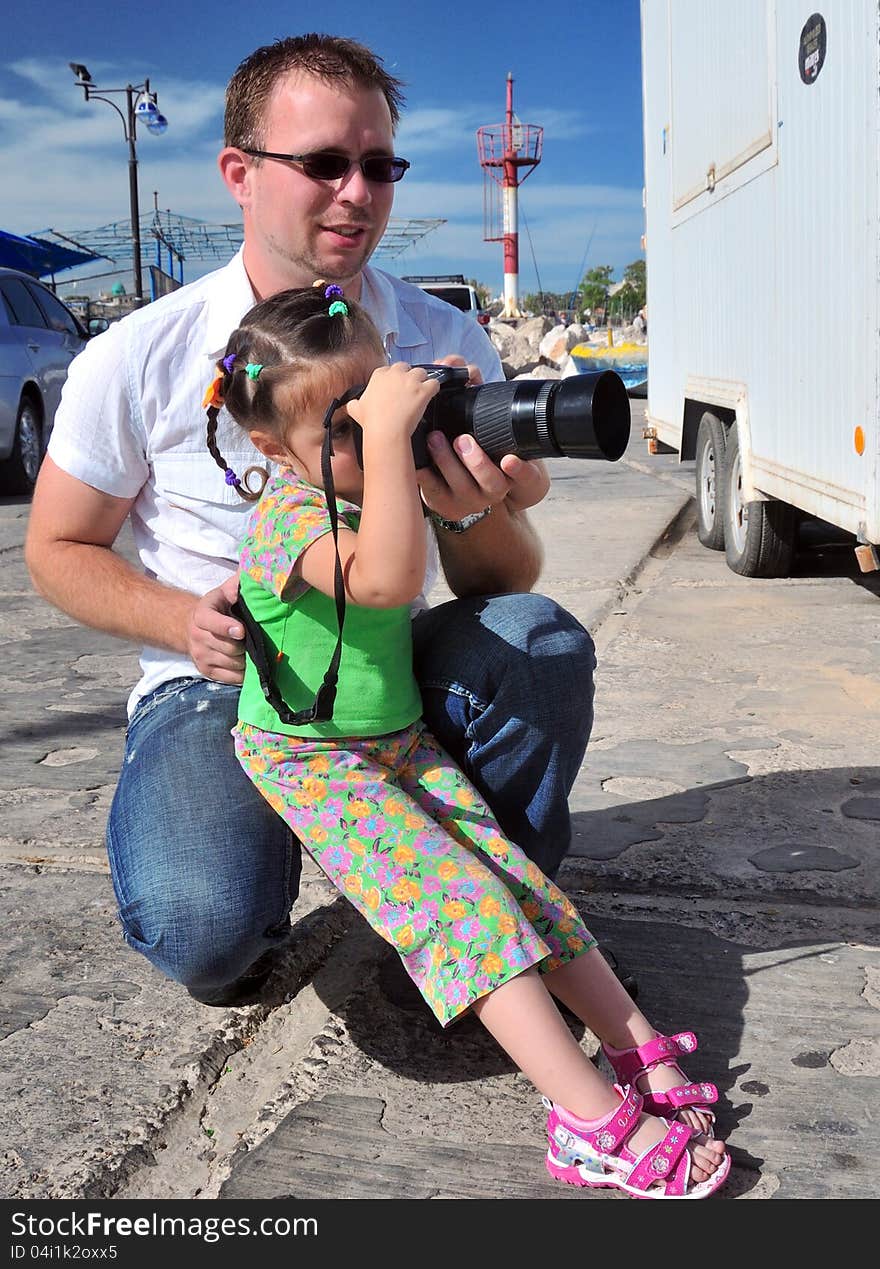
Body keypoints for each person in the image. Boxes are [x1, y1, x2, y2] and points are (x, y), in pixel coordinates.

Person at [24, 33, 595, 1008]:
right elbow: (54, 548)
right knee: (200, 928)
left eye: (379, 165)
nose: (359, 192)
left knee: (536, 639)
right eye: (324, 163)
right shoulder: (138, 355)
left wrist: (468, 515)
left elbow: (502, 584)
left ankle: (487, 911)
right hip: (221, 688)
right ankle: (286, 866)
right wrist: (181, 623)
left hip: (384, 662)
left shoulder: (441, 342)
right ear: (239, 174)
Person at [203, 282, 729, 1199]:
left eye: (377, 402)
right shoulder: (290, 515)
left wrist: (487, 477)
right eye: (346, 426)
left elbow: (494, 533)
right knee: (462, 908)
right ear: (270, 449)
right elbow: (389, 577)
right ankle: (588, 1123)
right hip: (312, 759)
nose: (374, 436)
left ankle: (634, 1045)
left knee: (519, 885)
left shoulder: (373, 478)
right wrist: (400, 447)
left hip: (394, 736)